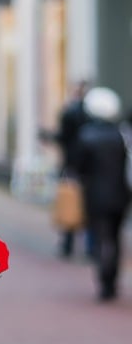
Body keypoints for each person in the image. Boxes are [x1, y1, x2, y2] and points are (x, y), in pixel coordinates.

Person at [75, 87, 130, 301]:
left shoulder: (86, 136)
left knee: (100, 237)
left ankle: (105, 280)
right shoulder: (121, 135)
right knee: (115, 237)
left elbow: (79, 167)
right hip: (120, 194)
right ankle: (112, 279)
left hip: (96, 195)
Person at [51, 81, 93, 258]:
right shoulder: (92, 115)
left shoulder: (69, 113)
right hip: (90, 168)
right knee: (88, 205)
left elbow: (62, 137)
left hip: (72, 166)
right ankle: (91, 246)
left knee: (70, 201)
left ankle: (68, 244)